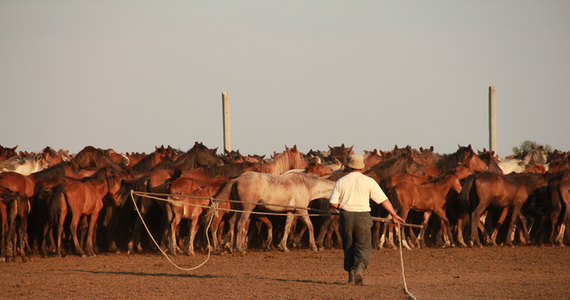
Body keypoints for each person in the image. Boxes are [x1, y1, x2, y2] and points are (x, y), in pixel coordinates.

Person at [329, 154, 404, 285]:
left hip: (346, 215)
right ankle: (360, 268)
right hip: (363, 216)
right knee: (363, 246)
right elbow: (383, 200)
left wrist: (344, 207)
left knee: (348, 246)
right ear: (362, 167)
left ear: (349, 166)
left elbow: (333, 203)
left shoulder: (341, 181)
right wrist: (394, 214)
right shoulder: (369, 181)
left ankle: (351, 276)